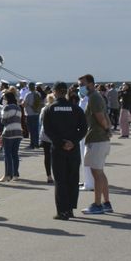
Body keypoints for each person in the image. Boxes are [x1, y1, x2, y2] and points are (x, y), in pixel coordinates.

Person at [44, 83, 86, 220]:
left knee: (60, 180)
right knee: (72, 179)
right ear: (66, 92)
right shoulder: (76, 108)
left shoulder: (50, 109)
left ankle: (62, 210)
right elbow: (84, 128)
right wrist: (72, 141)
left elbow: (47, 130)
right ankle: (70, 208)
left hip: (58, 149)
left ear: (55, 92)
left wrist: (61, 143)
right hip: (73, 149)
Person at [79, 73, 113, 216]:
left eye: (82, 84)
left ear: (91, 84)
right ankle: (106, 203)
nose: (80, 87)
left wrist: (106, 129)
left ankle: (98, 204)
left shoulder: (93, 98)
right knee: (100, 172)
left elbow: (100, 117)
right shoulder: (95, 97)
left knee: (96, 173)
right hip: (100, 138)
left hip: (97, 138)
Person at [0, 90, 23, 181]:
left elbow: (3, 121)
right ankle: (15, 174)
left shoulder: (7, 108)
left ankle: (7, 174)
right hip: (18, 132)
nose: (3, 99)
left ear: (7, 98)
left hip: (9, 132)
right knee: (15, 154)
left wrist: (2, 110)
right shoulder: (18, 108)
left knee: (7, 154)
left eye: (4, 98)